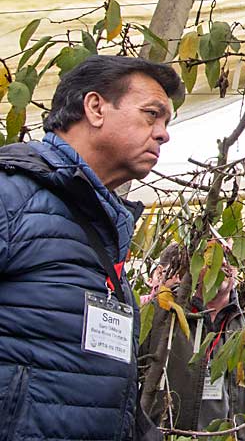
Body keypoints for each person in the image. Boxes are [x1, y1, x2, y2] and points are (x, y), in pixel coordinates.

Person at [0, 55, 181, 440]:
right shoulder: (11, 196)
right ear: (95, 107)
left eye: (166, 122)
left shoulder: (100, 226)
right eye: (152, 115)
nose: (163, 133)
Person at [139, 240, 245, 438]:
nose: (223, 262)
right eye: (213, 254)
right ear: (192, 264)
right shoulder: (162, 315)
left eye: (229, 256)